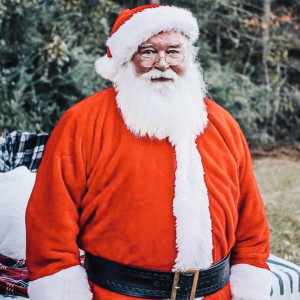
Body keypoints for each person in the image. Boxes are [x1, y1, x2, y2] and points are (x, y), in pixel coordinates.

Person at [25, 4, 273, 300]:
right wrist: (61, 286)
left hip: (214, 294)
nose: (163, 63)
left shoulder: (222, 124)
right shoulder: (83, 121)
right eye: (148, 52)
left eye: (173, 51)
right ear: (129, 59)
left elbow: (251, 220)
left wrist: (250, 277)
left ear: (189, 56)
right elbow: (50, 218)